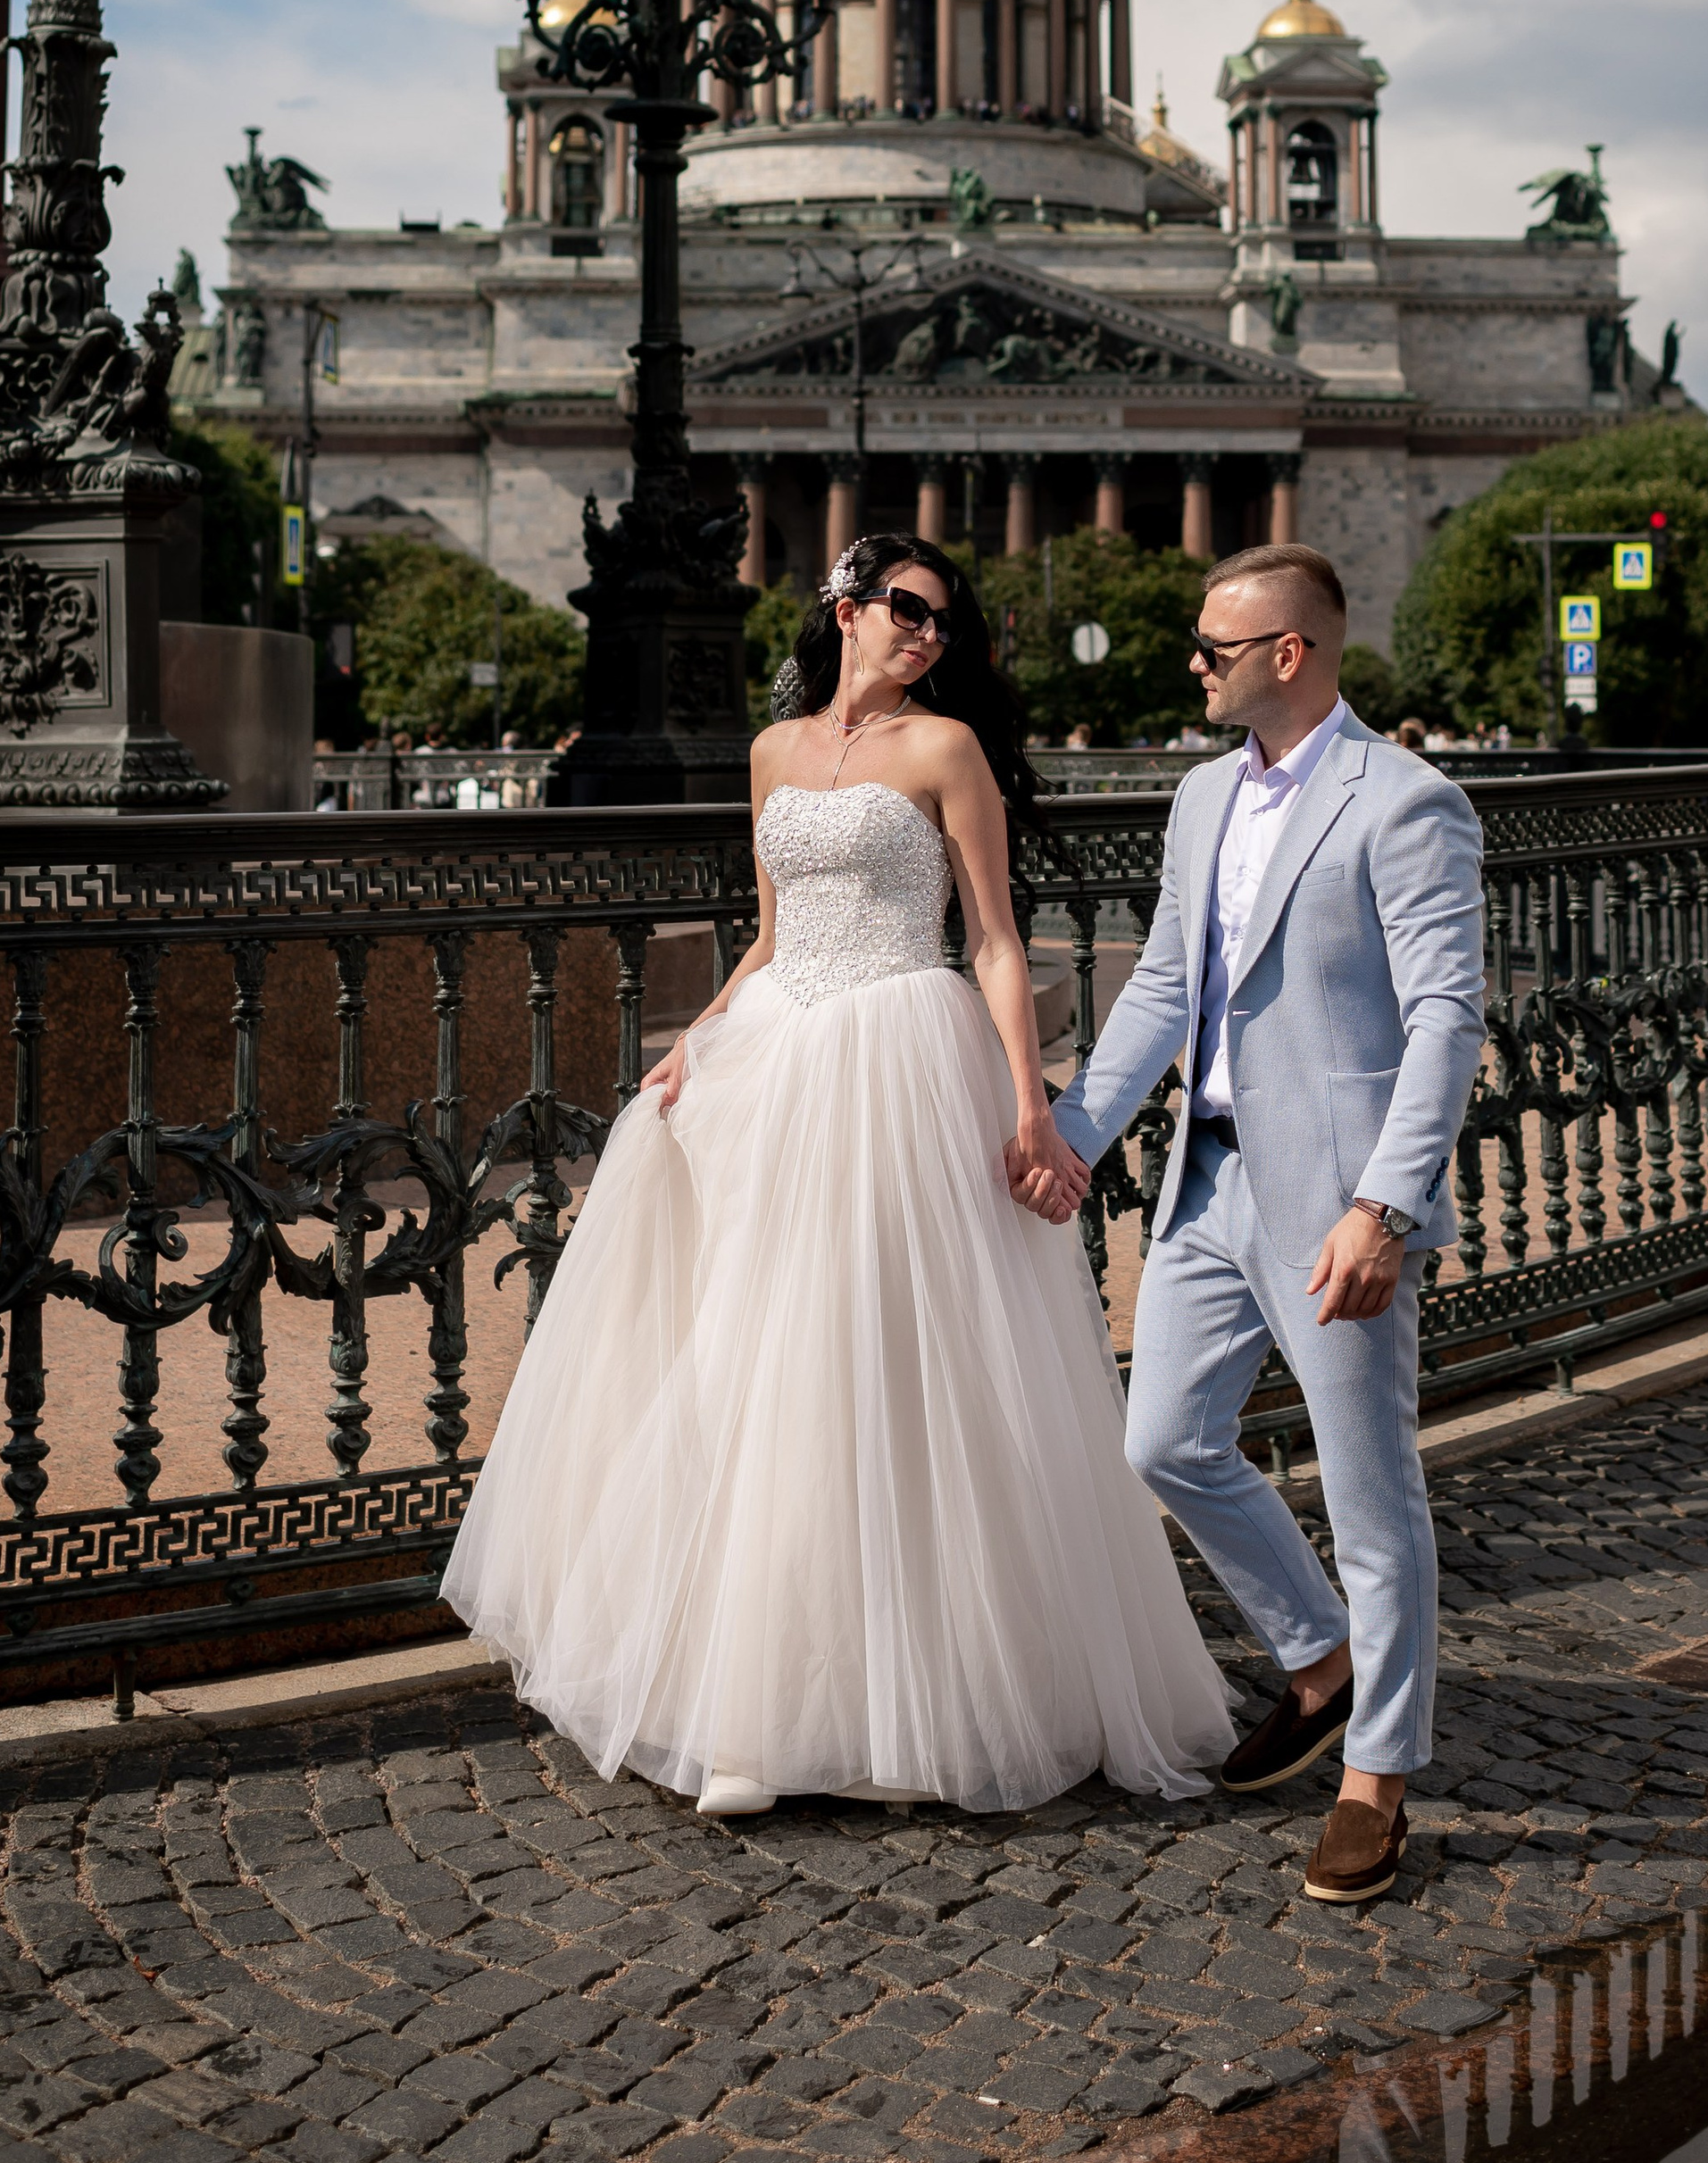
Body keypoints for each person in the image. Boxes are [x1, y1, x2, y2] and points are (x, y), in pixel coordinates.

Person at [443, 532, 1235, 1818]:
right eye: (912, 612)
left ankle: (935, 1689)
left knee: (890, 1359)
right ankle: (750, 1708)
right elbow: (767, 935)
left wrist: (1032, 1106)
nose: (931, 637)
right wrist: (697, 1041)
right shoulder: (772, 753)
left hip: (899, 1060)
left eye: (947, 623)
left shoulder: (946, 749)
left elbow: (988, 937)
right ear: (848, 609)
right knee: (756, 1361)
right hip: (777, 1055)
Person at [1048, 545, 1484, 1909]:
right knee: (1167, 1437)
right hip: (1208, 1179)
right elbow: (1166, 987)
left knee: (1370, 1490)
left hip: (1338, 1200)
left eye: (1212, 650)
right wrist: (1068, 1140)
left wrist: (1386, 1204)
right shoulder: (1198, 800)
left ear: (1288, 654)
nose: (1194, 666)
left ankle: (1376, 1777)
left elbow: (1445, 1021)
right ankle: (1320, 1660)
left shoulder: (1408, 802)